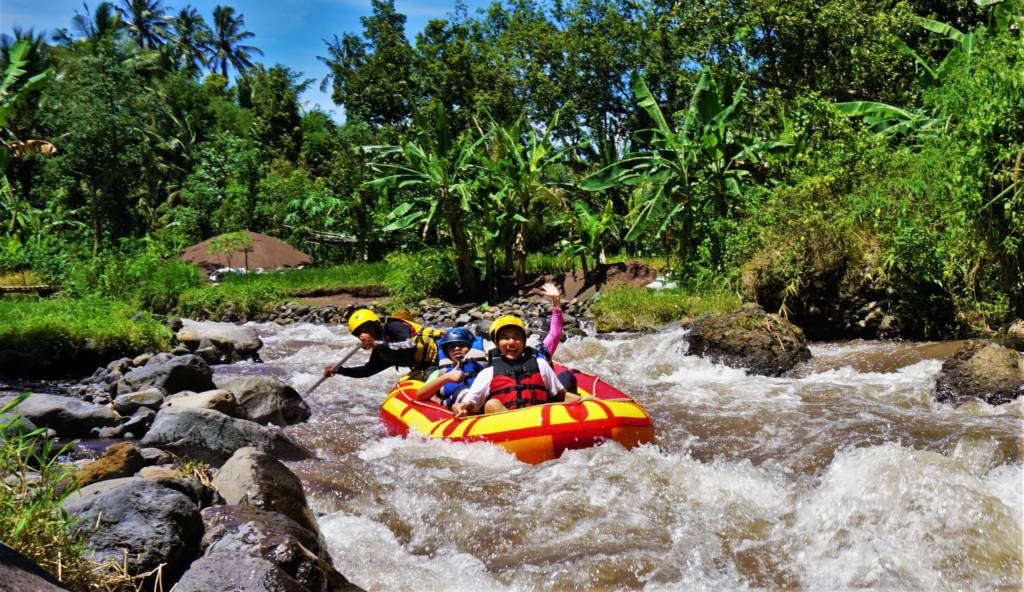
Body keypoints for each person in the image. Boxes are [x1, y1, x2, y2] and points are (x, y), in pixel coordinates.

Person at [450, 315, 581, 418]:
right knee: (492, 405)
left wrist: (590, 402)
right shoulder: (488, 373)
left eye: (516, 337)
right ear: (497, 343)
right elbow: (470, 404)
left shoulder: (541, 364)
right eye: (505, 338)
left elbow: (561, 396)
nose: (511, 342)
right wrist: (459, 407)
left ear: (524, 341)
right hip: (508, 429)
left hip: (540, 422)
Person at [324, 309, 444, 381]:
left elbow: (409, 344)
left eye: (366, 328)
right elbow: (367, 371)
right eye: (359, 333)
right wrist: (340, 370)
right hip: (428, 365)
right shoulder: (380, 352)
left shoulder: (393, 326)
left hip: (445, 353)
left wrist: (376, 344)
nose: (363, 334)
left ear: (376, 324)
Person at [415, 327, 487, 406]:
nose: (456, 349)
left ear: (470, 348)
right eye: (452, 347)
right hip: (454, 408)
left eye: (462, 345)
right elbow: (419, 395)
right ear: (447, 353)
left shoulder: (483, 366)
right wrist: (446, 377)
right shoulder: (439, 373)